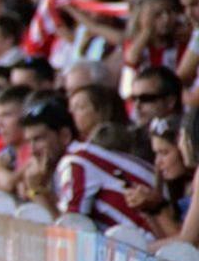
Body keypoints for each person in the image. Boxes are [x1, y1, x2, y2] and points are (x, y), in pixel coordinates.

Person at [18, 98, 155, 235]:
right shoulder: (80, 155)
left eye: (39, 139)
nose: (32, 150)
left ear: (64, 136)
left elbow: (70, 232)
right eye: (29, 141)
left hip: (151, 244)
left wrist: (36, 190)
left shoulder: (76, 161)